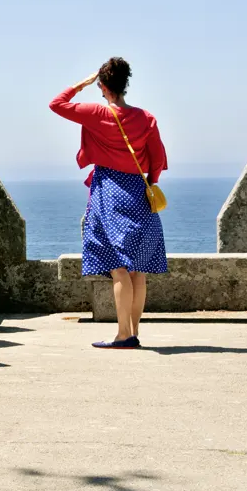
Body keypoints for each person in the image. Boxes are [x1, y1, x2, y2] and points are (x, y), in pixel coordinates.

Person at [49, 57, 168, 349]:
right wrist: (148, 185)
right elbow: (157, 160)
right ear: (125, 84)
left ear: (103, 86)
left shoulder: (95, 113)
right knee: (138, 269)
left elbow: (57, 104)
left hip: (110, 192)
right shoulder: (146, 118)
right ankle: (133, 332)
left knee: (118, 268)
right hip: (140, 192)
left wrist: (81, 84)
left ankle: (123, 334)